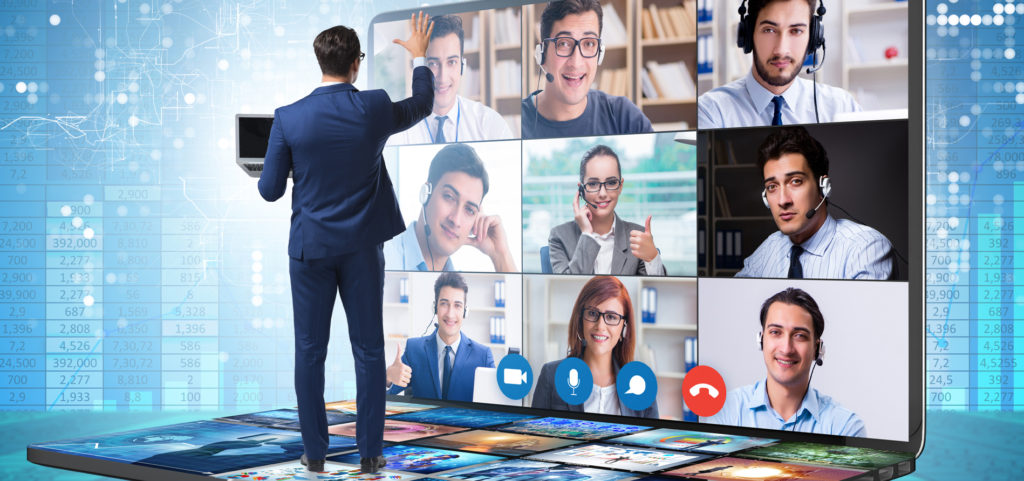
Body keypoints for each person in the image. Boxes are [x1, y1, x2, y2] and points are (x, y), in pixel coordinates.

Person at [258, 13, 435, 474]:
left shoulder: (288, 118)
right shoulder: (373, 107)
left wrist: (291, 164)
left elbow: (271, 190)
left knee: (309, 352)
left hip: (310, 251)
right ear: (357, 64)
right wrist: (417, 53)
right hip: (361, 251)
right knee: (369, 351)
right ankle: (370, 453)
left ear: (318, 61)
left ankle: (314, 455)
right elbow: (422, 102)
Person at [736, 126, 893, 279]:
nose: (783, 201)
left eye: (796, 181)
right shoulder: (769, 247)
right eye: (772, 187)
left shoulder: (865, 248)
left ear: (823, 187)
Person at [708, 288, 866, 436]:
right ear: (761, 340)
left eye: (800, 335)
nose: (786, 348)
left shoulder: (845, 427)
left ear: (817, 350)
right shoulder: (725, 411)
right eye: (776, 332)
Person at [697, 0, 861, 128]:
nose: (781, 50)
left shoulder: (842, 107)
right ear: (747, 35)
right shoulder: (711, 111)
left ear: (813, 38)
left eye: (796, 31)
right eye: (769, 30)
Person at [522, 0, 652, 139]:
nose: (576, 63)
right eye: (564, 43)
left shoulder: (623, 117)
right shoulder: (518, 122)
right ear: (542, 54)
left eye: (589, 43)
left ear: (599, 54)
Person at [532, 276, 659, 418]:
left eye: (611, 317)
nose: (600, 326)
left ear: (624, 327)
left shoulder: (643, 385)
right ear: (580, 320)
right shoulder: (551, 375)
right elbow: (536, 437)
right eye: (592, 313)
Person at [383, 143, 517, 272]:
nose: (456, 220)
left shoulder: (459, 283)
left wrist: (500, 255)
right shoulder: (377, 257)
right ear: (426, 193)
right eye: (449, 197)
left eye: (469, 210)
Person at [389, 15, 513, 145]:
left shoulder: (490, 124)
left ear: (462, 66)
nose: (443, 77)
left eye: (452, 62)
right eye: (432, 63)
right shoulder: (398, 129)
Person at [548, 145, 666, 275]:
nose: (603, 193)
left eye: (611, 183)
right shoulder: (560, 236)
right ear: (581, 189)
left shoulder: (638, 237)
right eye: (593, 184)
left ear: (620, 186)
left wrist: (652, 257)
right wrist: (587, 234)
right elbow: (564, 288)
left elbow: (654, 290)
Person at [385, 272, 495, 401]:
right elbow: (385, 399)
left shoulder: (482, 356)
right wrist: (387, 377)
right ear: (435, 308)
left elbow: (494, 403)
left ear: (465, 311)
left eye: (457, 305)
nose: (450, 314)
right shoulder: (414, 349)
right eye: (444, 303)